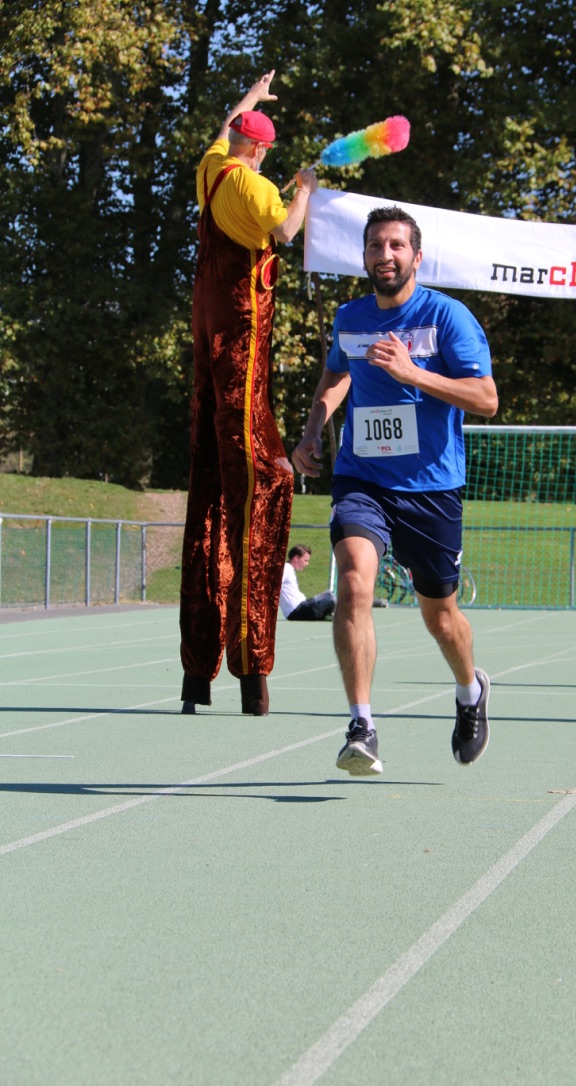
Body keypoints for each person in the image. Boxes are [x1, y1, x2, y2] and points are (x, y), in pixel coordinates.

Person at [292, 206, 498, 775]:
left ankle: (471, 690)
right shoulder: (350, 318)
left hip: (431, 488)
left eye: (396, 245)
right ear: (363, 256)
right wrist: (313, 429)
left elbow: (486, 399)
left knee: (441, 617)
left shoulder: (447, 316)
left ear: (416, 256)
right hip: (363, 478)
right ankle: (361, 725)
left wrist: (414, 375)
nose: (385, 255)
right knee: (353, 581)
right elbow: (336, 374)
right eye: (375, 245)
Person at [180, 71, 318, 718]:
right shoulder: (256, 188)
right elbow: (286, 232)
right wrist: (306, 190)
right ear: (260, 149)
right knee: (259, 484)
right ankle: (250, 669)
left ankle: (197, 675)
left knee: (207, 485)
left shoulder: (212, 169)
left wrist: (251, 98)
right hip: (239, 344)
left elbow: (222, 129)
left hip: (205, 339)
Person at [279, 544, 336, 621]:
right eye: (305, 560)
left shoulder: (289, 569)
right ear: (296, 558)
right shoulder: (286, 568)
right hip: (297, 611)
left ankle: (326, 615)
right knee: (330, 598)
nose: (307, 564)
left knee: (328, 595)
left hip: (302, 608)